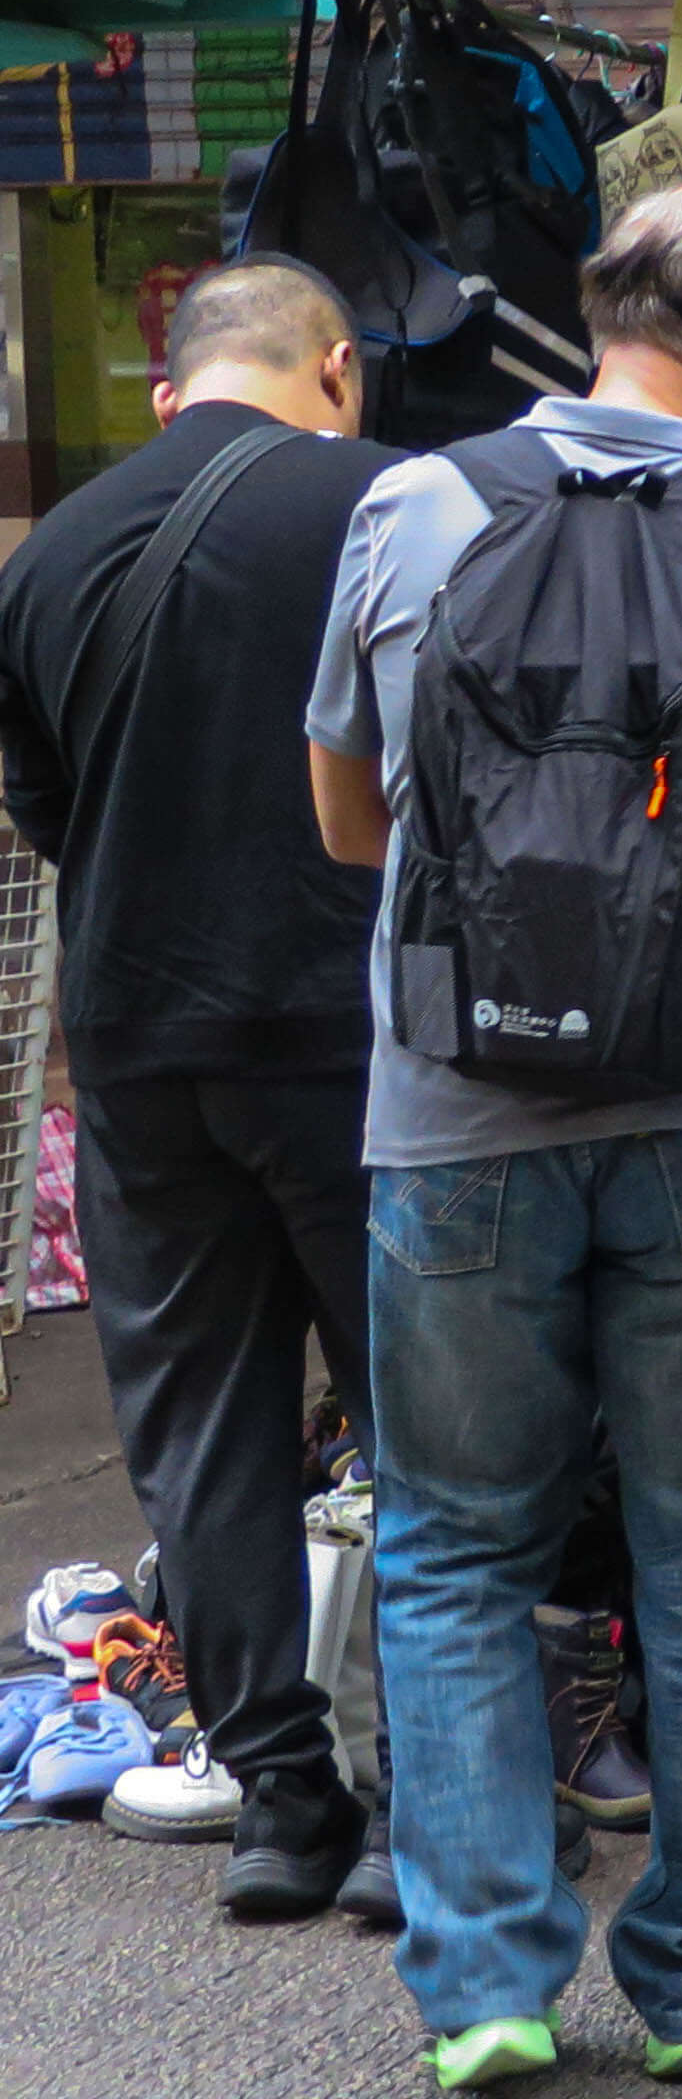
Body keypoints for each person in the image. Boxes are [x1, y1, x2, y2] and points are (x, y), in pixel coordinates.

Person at [306, 178, 682, 2093]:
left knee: (456, 1544)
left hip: (452, 1119)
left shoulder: (409, 507)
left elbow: (351, 822)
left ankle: (485, 1985)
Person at [0, 261, 395, 1915]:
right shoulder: (390, 504)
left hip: (140, 1048)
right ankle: (432, 1805)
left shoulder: (56, 550)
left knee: (202, 1426)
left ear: (170, 393)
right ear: (340, 372)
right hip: (349, 1038)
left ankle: (283, 1805)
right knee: (428, 1415)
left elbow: (41, 807)